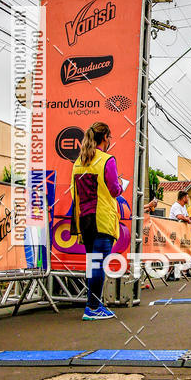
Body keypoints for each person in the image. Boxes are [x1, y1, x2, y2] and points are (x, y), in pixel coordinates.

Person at [70, 121, 122, 320]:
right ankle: (92, 307)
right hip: (102, 219)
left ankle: (94, 305)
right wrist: (121, 187)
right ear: (106, 138)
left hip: (84, 219)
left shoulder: (79, 162)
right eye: (110, 137)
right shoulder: (107, 160)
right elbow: (114, 189)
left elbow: (75, 193)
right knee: (99, 264)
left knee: (93, 263)